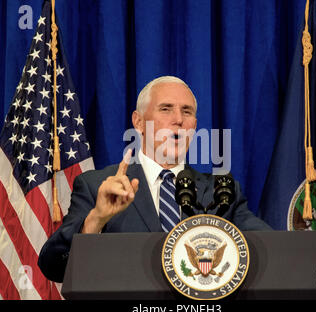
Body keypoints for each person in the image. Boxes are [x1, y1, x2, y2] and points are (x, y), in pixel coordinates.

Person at [38, 76, 272, 283]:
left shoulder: (221, 191)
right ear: (138, 122)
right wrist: (96, 220)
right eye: (166, 109)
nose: (178, 119)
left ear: (194, 127)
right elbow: (53, 266)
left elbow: (272, 248)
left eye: (187, 111)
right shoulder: (97, 186)